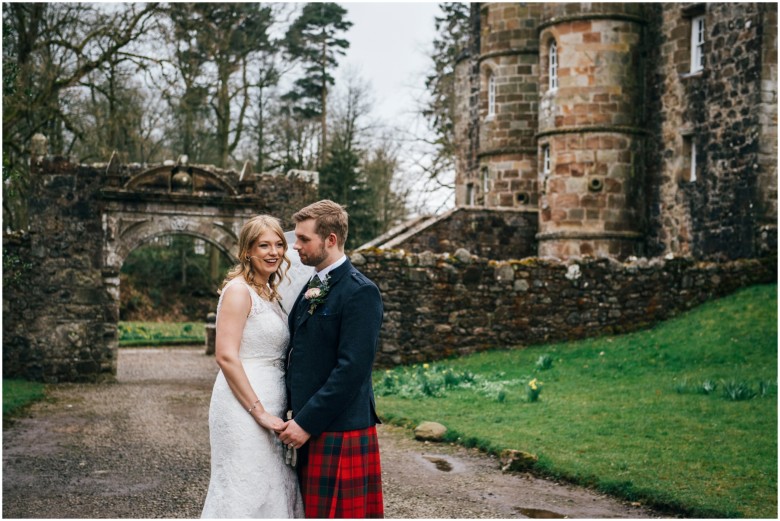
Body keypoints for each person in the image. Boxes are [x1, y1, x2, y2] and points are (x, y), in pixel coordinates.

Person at [278, 200, 385, 518]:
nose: (294, 246)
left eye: (303, 239)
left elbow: (352, 370)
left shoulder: (360, 292)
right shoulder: (311, 284)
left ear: (331, 240)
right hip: (310, 427)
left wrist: (306, 422)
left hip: (339, 429)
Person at [201, 215, 304, 518]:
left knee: (272, 485)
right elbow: (226, 356)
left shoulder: (270, 293)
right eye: (264, 245)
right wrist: (258, 412)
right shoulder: (238, 291)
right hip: (242, 407)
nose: (273, 252)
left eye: (278, 245)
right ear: (247, 251)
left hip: (272, 405)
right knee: (244, 487)